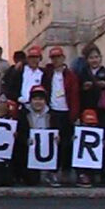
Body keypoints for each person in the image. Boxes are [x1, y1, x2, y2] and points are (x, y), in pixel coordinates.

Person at [78, 44, 105, 185]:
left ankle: (104, 173)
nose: (94, 60)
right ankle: (89, 173)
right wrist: (84, 87)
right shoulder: (82, 73)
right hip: (88, 111)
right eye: (91, 57)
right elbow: (77, 90)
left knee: (104, 141)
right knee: (89, 142)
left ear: (100, 58)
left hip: (104, 111)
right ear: (87, 59)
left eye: (96, 57)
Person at [41, 46, 80, 181]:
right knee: (54, 142)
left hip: (67, 112)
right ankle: (52, 170)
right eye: (53, 58)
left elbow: (74, 95)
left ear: (63, 58)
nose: (56, 60)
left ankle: (66, 170)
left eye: (58, 57)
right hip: (53, 112)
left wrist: (74, 114)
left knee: (67, 143)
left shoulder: (70, 75)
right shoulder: (48, 74)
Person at [16, 85, 57, 187]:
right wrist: (26, 140)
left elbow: (57, 130)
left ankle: (51, 173)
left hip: (47, 149)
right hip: (29, 151)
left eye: (41, 99)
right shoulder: (23, 114)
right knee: (31, 181)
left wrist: (57, 138)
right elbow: (20, 133)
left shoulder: (52, 115)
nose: (38, 102)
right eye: (35, 99)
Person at [74, 109, 101, 188]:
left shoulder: (98, 133)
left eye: (92, 125)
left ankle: (93, 174)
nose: (90, 127)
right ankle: (81, 174)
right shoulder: (78, 133)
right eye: (87, 124)